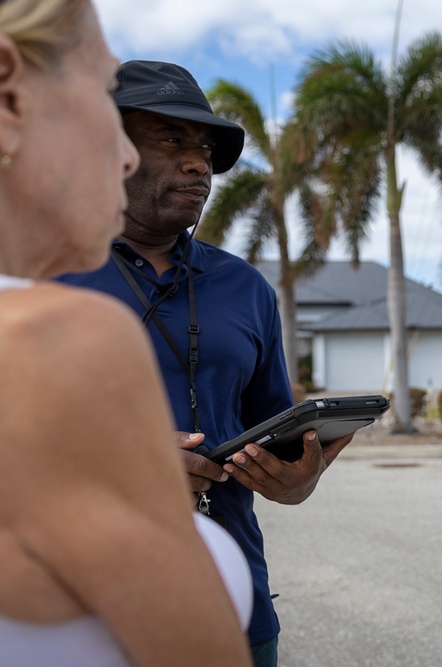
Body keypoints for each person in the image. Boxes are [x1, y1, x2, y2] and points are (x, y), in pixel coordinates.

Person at [60, 59, 353, 667]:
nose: (199, 163)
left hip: (232, 606)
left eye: (205, 148)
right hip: (74, 615)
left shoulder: (246, 287)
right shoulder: (38, 272)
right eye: (171, 140)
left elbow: (272, 432)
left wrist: (298, 479)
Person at [0, 1, 253, 665]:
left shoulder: (244, 285)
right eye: (99, 94)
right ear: (8, 94)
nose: (118, 155)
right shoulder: (61, 334)